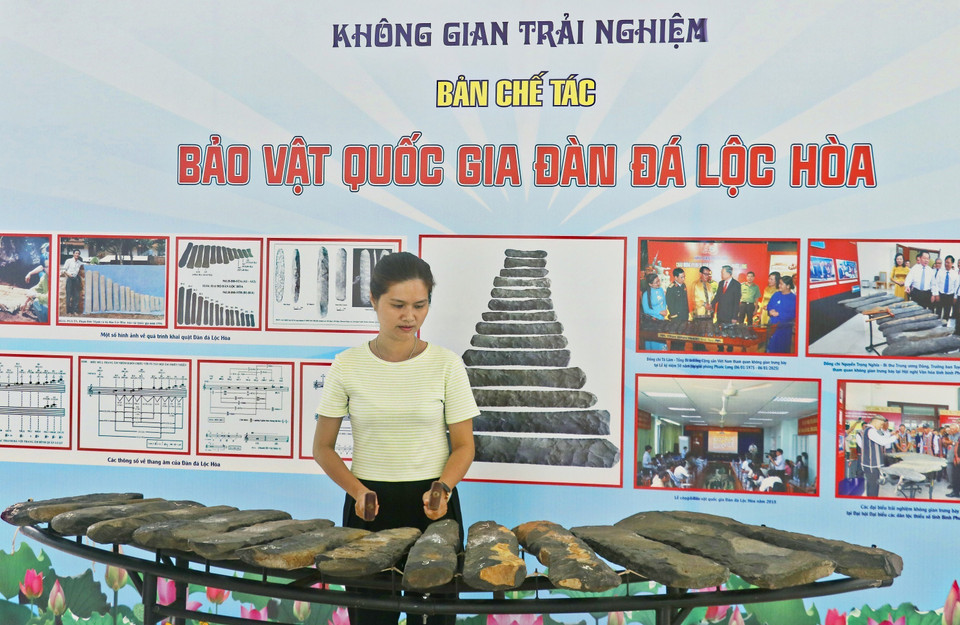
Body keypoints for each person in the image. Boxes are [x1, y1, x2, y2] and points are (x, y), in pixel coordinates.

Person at [313, 252, 479, 625]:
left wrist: (444, 488)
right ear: (373, 301)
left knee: (436, 617)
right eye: (398, 305)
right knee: (371, 618)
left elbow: (465, 445)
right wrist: (357, 491)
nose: (410, 317)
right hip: (368, 506)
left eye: (420, 306)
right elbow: (322, 448)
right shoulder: (347, 364)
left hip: (433, 505)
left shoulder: (447, 364)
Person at [859, 415, 898, 498]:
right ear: (876, 421)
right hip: (871, 465)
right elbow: (882, 441)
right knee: (873, 487)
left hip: (870, 464)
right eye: (881, 424)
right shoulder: (871, 431)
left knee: (871, 486)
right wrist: (895, 437)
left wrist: (891, 434)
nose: (881, 426)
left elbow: (881, 437)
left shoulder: (868, 430)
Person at [766, 275, 797, 354]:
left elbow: (793, 314)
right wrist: (770, 310)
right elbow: (770, 305)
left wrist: (779, 313)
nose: (779, 285)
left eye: (781, 284)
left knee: (782, 348)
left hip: (784, 328)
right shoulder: (776, 294)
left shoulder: (794, 298)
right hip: (772, 325)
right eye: (779, 283)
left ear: (788, 286)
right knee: (770, 347)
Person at [641, 273, 668, 351]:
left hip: (661, 321)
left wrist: (665, 310)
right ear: (650, 284)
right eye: (656, 282)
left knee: (662, 342)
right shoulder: (646, 295)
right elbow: (646, 310)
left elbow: (664, 302)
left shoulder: (661, 290)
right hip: (652, 323)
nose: (658, 283)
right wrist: (659, 312)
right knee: (654, 344)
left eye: (659, 281)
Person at [665, 267, 689, 350]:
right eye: (681, 277)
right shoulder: (671, 288)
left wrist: (687, 314)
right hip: (676, 318)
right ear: (675, 277)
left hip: (684, 316)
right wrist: (674, 315)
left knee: (683, 339)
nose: (683, 279)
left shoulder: (684, 285)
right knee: (675, 340)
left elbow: (685, 301)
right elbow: (670, 303)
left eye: (684, 276)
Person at [933, 255, 958, 321]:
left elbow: (956, 287)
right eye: (945, 262)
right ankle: (937, 328)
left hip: (950, 296)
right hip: (941, 295)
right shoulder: (940, 272)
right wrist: (936, 294)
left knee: (946, 314)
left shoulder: (955, 274)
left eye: (948, 262)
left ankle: (944, 329)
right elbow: (936, 284)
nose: (946, 264)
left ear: (952, 263)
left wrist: (955, 297)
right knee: (938, 313)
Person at [60, 249, 83, 314]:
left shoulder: (79, 262)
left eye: (78, 253)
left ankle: (75, 310)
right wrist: (68, 274)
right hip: (69, 278)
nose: (77, 255)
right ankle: (68, 311)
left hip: (76, 279)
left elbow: (86, 265)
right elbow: (63, 269)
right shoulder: (69, 261)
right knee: (69, 295)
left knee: (76, 295)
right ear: (73, 254)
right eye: (76, 253)